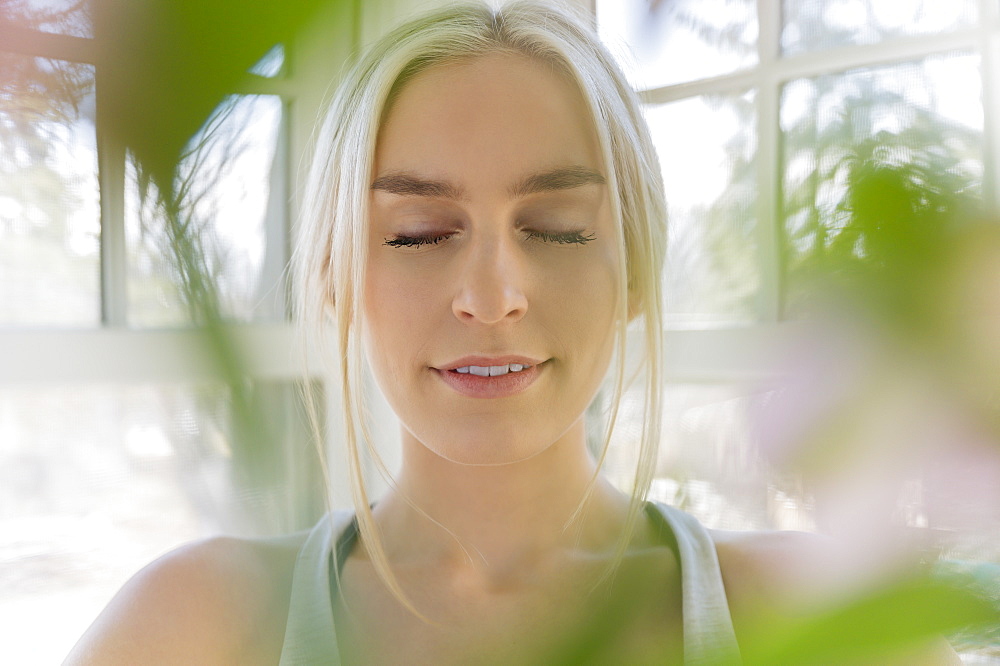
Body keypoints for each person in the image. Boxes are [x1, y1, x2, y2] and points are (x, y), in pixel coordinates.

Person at [65, 2, 964, 664]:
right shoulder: (188, 628)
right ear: (338, 277)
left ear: (639, 271)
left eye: (560, 228)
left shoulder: (823, 621)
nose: (491, 296)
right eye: (418, 234)